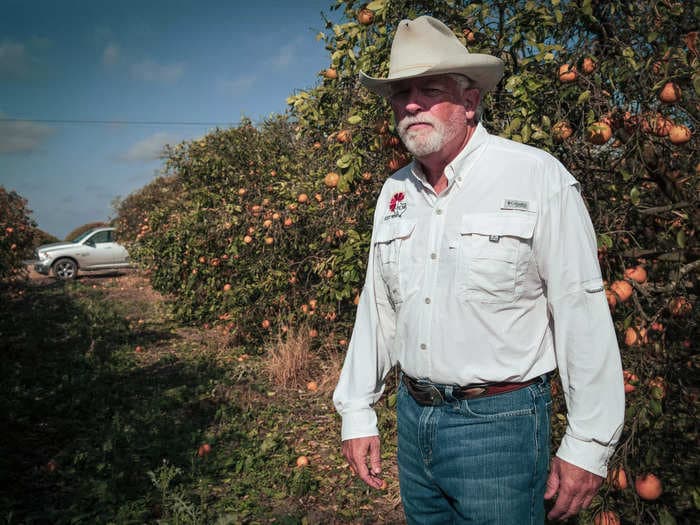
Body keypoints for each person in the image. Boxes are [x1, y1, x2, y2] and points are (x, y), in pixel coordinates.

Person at [332, 15, 625, 525]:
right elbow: (378, 310)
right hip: (413, 415)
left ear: (470, 102)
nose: (412, 104)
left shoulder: (535, 176)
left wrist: (589, 443)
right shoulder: (394, 193)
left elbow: (579, 307)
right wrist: (357, 410)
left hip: (500, 428)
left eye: (429, 89)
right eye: (401, 93)